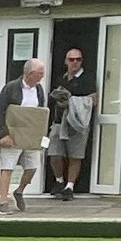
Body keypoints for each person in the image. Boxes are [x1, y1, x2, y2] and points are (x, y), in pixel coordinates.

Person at [0, 53, 48, 211]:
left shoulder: (39, 90)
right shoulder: (11, 88)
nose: (42, 76)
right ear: (29, 74)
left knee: (32, 167)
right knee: (7, 167)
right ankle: (3, 202)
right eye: (40, 73)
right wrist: (4, 135)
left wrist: (41, 135)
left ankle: (19, 191)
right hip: (12, 135)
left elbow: (40, 113)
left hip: (30, 136)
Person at [48, 42, 97, 197]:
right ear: (66, 61)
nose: (75, 62)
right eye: (71, 59)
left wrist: (72, 102)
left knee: (75, 155)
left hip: (77, 122)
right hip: (58, 120)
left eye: (78, 59)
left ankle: (70, 187)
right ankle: (59, 181)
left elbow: (94, 99)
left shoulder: (87, 79)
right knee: (54, 152)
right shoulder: (60, 78)